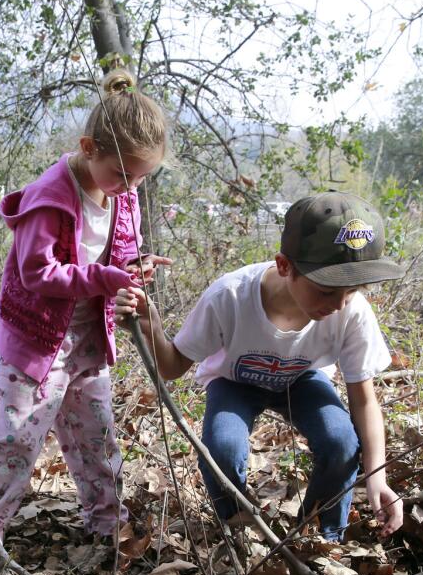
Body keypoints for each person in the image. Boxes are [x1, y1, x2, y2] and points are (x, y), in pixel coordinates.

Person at [0, 69, 171, 575]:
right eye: (122, 175)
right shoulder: (51, 196)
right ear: (88, 147)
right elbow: (38, 273)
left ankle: (105, 520)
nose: (130, 188)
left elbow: (117, 249)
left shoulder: (122, 193)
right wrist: (104, 276)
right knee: (14, 438)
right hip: (37, 343)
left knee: (96, 435)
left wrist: (132, 266)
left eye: (141, 178)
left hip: (88, 339)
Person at [115, 191, 405, 542]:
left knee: (341, 442)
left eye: (352, 289)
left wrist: (377, 475)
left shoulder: (351, 311)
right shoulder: (231, 296)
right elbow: (173, 367)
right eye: (326, 290)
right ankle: (240, 528)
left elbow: (364, 400)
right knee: (221, 448)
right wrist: (152, 325)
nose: (340, 304)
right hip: (235, 379)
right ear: (285, 266)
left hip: (302, 378)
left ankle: (319, 535)